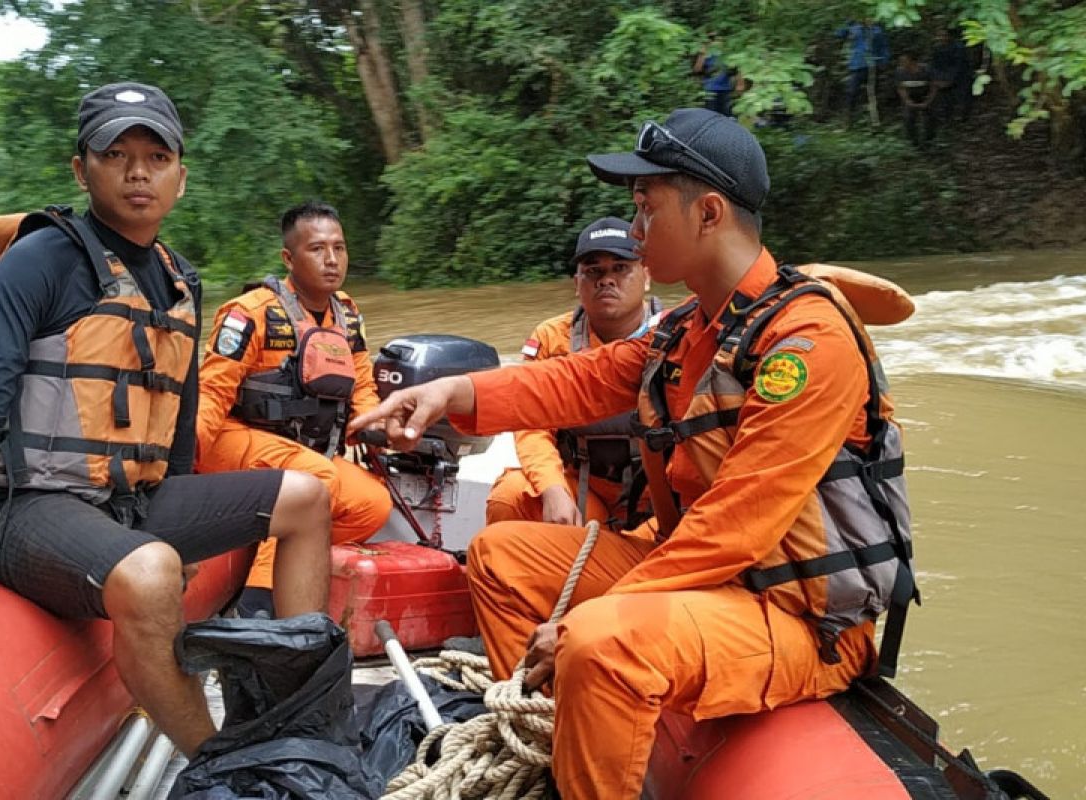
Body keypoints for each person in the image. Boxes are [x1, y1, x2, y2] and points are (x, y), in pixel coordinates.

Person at [349, 108, 916, 800]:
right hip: (707, 583)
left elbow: (738, 525)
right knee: (500, 557)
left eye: (645, 211)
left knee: (597, 638)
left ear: (708, 213)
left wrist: (572, 626)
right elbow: (571, 381)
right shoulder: (685, 330)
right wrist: (451, 392)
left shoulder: (806, 340)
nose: (637, 232)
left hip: (796, 616)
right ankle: (556, 743)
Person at [0, 82, 332, 758]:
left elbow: (176, 424)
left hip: (131, 500)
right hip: (22, 508)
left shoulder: (181, 278)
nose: (137, 172)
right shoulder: (39, 260)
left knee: (306, 496)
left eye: (156, 156)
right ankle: (221, 766)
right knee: (150, 571)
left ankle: (294, 718)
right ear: (80, 168)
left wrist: (186, 529)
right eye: (116, 154)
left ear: (181, 176)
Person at [195, 200, 390, 618]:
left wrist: (378, 427)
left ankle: (279, 555)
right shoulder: (249, 314)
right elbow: (211, 394)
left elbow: (363, 388)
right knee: (316, 478)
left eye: (339, 248)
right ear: (289, 257)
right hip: (234, 441)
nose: (332, 260)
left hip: (300, 453)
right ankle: (258, 606)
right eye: (317, 249)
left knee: (372, 503)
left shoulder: (348, 314)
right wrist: (182, 462)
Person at [486, 217, 657, 533]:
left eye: (620, 268)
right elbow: (531, 425)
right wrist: (552, 489)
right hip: (583, 483)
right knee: (509, 498)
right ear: (577, 284)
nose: (606, 280)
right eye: (594, 272)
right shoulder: (552, 337)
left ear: (646, 276)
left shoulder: (677, 334)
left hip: (656, 491)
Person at [836, 18, 891, 126]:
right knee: (851, 92)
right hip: (857, 65)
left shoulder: (877, 31)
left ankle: (875, 122)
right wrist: (848, 21)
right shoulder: (854, 28)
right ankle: (847, 122)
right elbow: (839, 33)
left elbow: (884, 47)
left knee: (873, 94)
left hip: (872, 65)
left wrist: (884, 61)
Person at [896, 51, 937, 147]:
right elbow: (900, 88)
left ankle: (929, 140)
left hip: (926, 95)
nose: (902, 63)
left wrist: (928, 101)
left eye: (904, 61)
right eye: (901, 61)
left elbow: (934, 87)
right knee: (908, 117)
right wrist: (907, 101)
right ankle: (913, 141)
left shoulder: (926, 70)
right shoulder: (900, 71)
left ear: (912, 61)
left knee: (929, 118)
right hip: (910, 97)